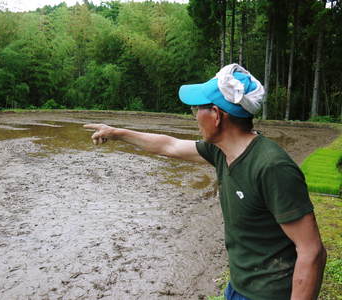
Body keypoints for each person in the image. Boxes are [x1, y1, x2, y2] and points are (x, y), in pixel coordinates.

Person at [84, 64, 327, 300]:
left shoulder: (271, 167)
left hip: (268, 294)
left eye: (196, 109)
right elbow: (168, 145)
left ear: (216, 115)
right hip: (238, 286)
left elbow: (312, 251)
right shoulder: (220, 151)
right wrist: (117, 133)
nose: (193, 117)